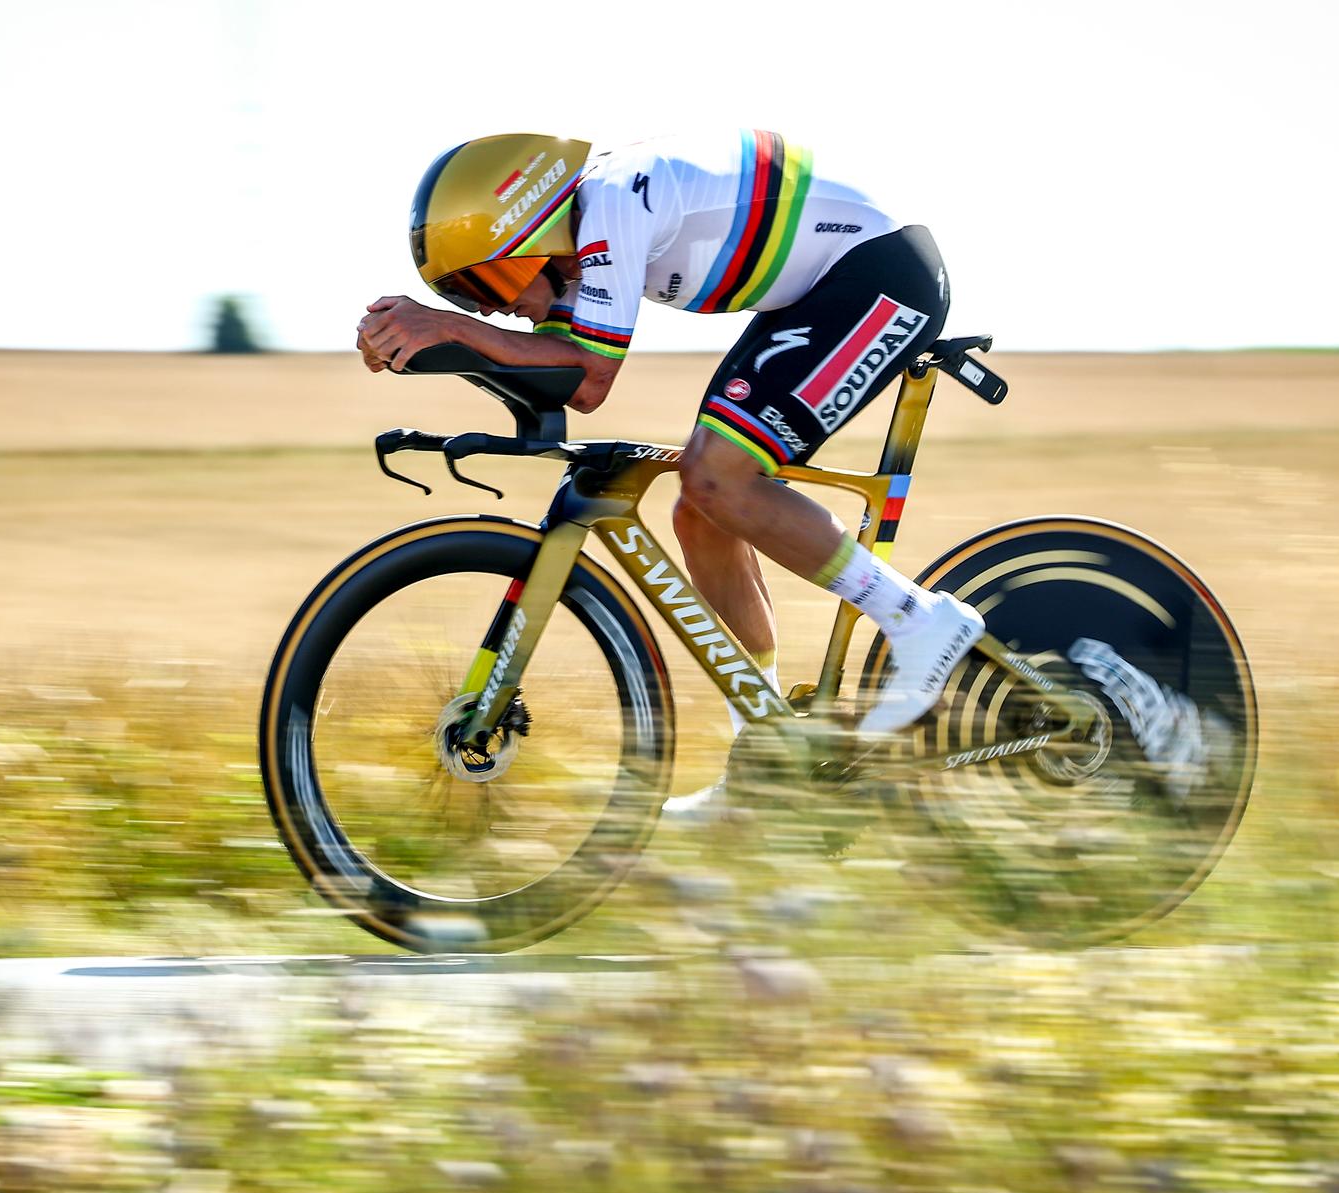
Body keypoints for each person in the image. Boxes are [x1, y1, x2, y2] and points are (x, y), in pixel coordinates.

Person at [356, 132, 984, 818]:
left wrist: (451, 328)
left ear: (529, 231)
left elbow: (588, 380)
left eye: (487, 283)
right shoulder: (578, 239)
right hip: (817, 294)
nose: (491, 307)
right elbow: (547, 367)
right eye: (466, 296)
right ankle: (767, 747)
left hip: (881, 276)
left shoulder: (611, 205)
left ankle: (920, 620)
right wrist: (430, 344)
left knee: (719, 478)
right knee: (700, 506)